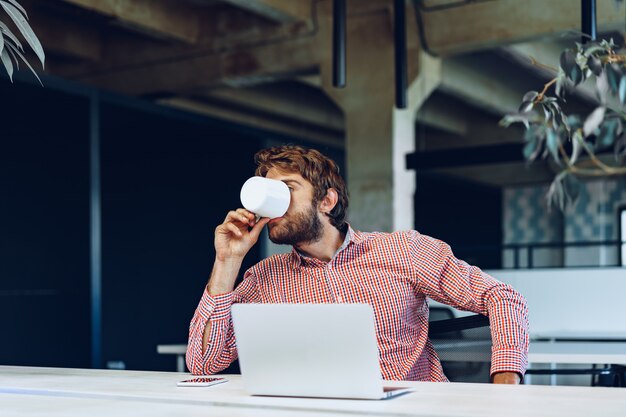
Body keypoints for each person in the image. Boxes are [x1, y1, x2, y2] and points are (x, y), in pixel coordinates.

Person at [187, 145, 529, 384]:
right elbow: (203, 364)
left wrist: (505, 388)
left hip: (414, 408)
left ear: (326, 200)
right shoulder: (264, 277)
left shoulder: (403, 250)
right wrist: (227, 261)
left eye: (287, 189)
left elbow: (502, 297)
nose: (272, 203)